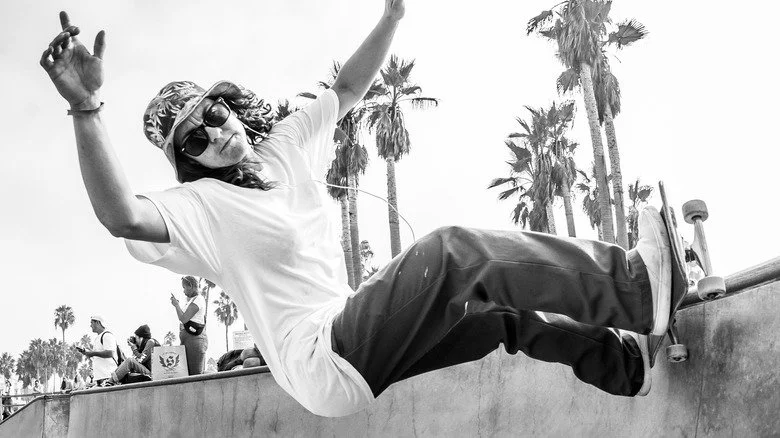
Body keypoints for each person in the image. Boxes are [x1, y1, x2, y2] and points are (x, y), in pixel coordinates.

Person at [40, 1, 674, 418]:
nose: (217, 133)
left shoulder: (287, 143)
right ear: (190, 161)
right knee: (455, 252)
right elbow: (122, 214)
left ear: (230, 105)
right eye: (197, 141)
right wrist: (85, 110)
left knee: (499, 317)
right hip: (321, 355)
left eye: (215, 115)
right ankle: (636, 290)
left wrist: (393, 16)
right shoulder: (200, 207)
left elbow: (345, 89)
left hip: (352, 330)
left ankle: (626, 366)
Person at [170, 276, 208, 375]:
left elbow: (183, 318)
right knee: (187, 374)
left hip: (194, 340)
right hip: (188, 340)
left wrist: (176, 306)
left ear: (190, 286)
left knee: (195, 375)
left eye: (184, 287)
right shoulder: (191, 300)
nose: (183, 291)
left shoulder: (198, 300)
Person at [75, 316, 118, 385]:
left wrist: (92, 353)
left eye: (92, 323)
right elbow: (97, 357)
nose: (90, 325)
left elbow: (110, 353)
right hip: (100, 378)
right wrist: (86, 353)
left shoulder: (107, 335)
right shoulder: (98, 338)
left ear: (97, 322)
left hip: (108, 377)